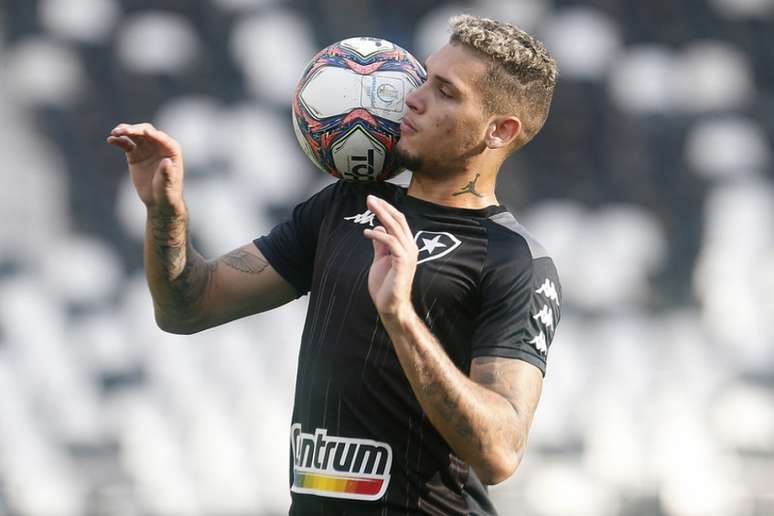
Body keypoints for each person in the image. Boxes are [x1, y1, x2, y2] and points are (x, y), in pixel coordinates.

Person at [107, 14, 561, 515]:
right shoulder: (342, 208)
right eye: (425, 77)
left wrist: (401, 318)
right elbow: (186, 307)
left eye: (446, 93)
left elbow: (500, 452)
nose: (414, 96)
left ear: (499, 131)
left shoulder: (515, 261)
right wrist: (165, 212)